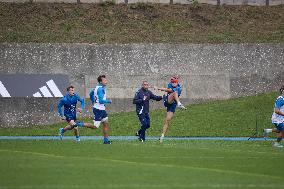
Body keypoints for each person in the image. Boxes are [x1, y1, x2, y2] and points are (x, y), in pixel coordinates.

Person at [154, 76, 187, 142]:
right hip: (167, 100)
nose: (173, 83)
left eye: (175, 82)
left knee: (168, 120)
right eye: (172, 82)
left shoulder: (179, 88)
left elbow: (168, 90)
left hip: (172, 104)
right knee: (174, 93)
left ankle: (162, 136)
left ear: (177, 83)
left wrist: (158, 88)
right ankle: (179, 103)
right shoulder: (170, 84)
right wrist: (174, 77)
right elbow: (168, 87)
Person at [89, 75, 112, 144]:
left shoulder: (97, 87)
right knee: (95, 126)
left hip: (102, 109)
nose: (106, 82)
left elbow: (90, 94)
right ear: (100, 81)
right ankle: (79, 124)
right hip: (98, 109)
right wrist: (109, 101)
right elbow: (101, 101)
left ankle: (106, 141)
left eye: (106, 80)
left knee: (106, 124)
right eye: (104, 80)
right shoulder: (100, 89)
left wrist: (93, 100)